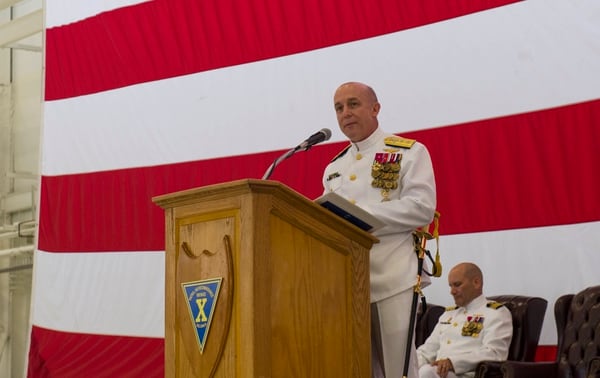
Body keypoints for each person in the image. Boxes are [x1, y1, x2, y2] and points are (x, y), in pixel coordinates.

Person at [322, 82, 437, 377]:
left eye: (353, 104)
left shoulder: (409, 152)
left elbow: (421, 207)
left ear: (375, 108)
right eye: (339, 108)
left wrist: (358, 217)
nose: (345, 113)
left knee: (398, 370)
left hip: (393, 278)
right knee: (358, 368)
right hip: (348, 281)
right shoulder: (334, 168)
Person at [416, 262, 513, 378]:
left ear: (476, 283)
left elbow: (495, 353)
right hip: (439, 374)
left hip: (467, 375)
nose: (452, 291)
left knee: (427, 372)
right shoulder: (448, 314)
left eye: (457, 285)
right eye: (450, 286)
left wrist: (453, 362)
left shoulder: (495, 313)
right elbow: (427, 351)